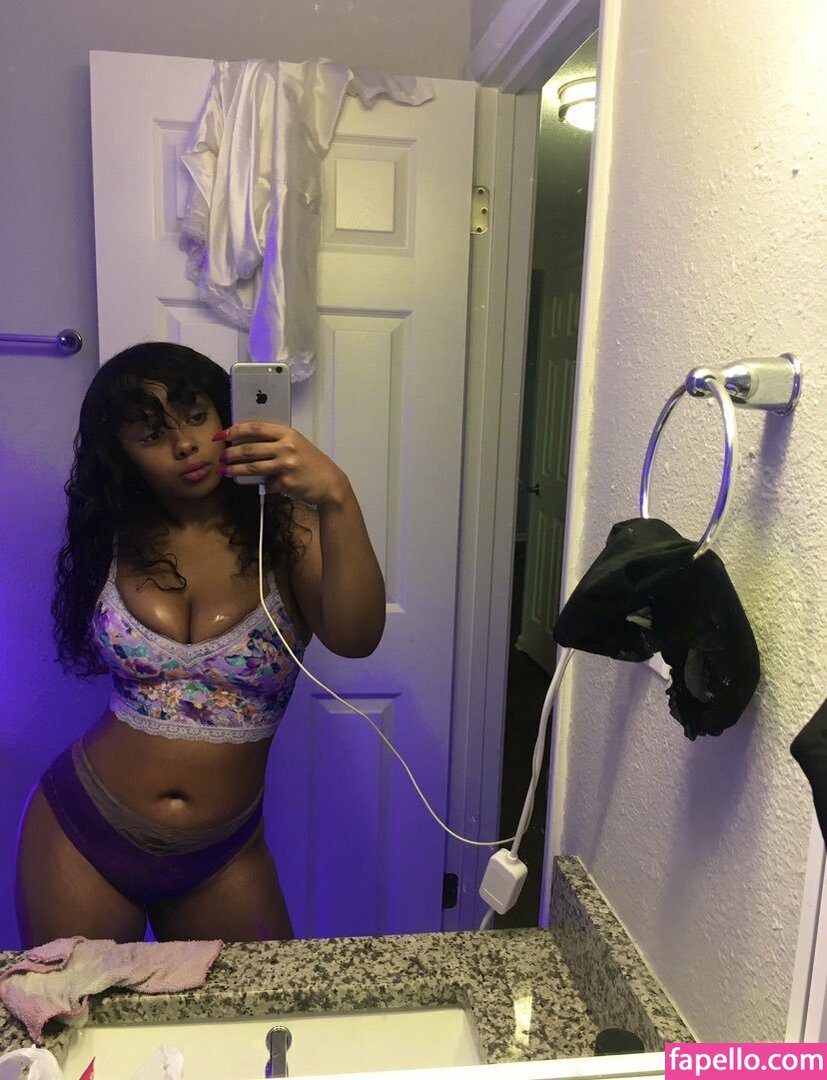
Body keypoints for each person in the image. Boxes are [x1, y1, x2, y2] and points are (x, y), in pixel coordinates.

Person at [15, 342, 385, 946]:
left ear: (225, 412)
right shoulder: (114, 535)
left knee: (265, 1005)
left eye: (195, 415)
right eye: (151, 434)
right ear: (122, 454)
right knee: (78, 1007)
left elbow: (357, 636)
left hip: (223, 852)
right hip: (82, 828)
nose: (185, 444)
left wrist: (336, 495)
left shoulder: (285, 527)